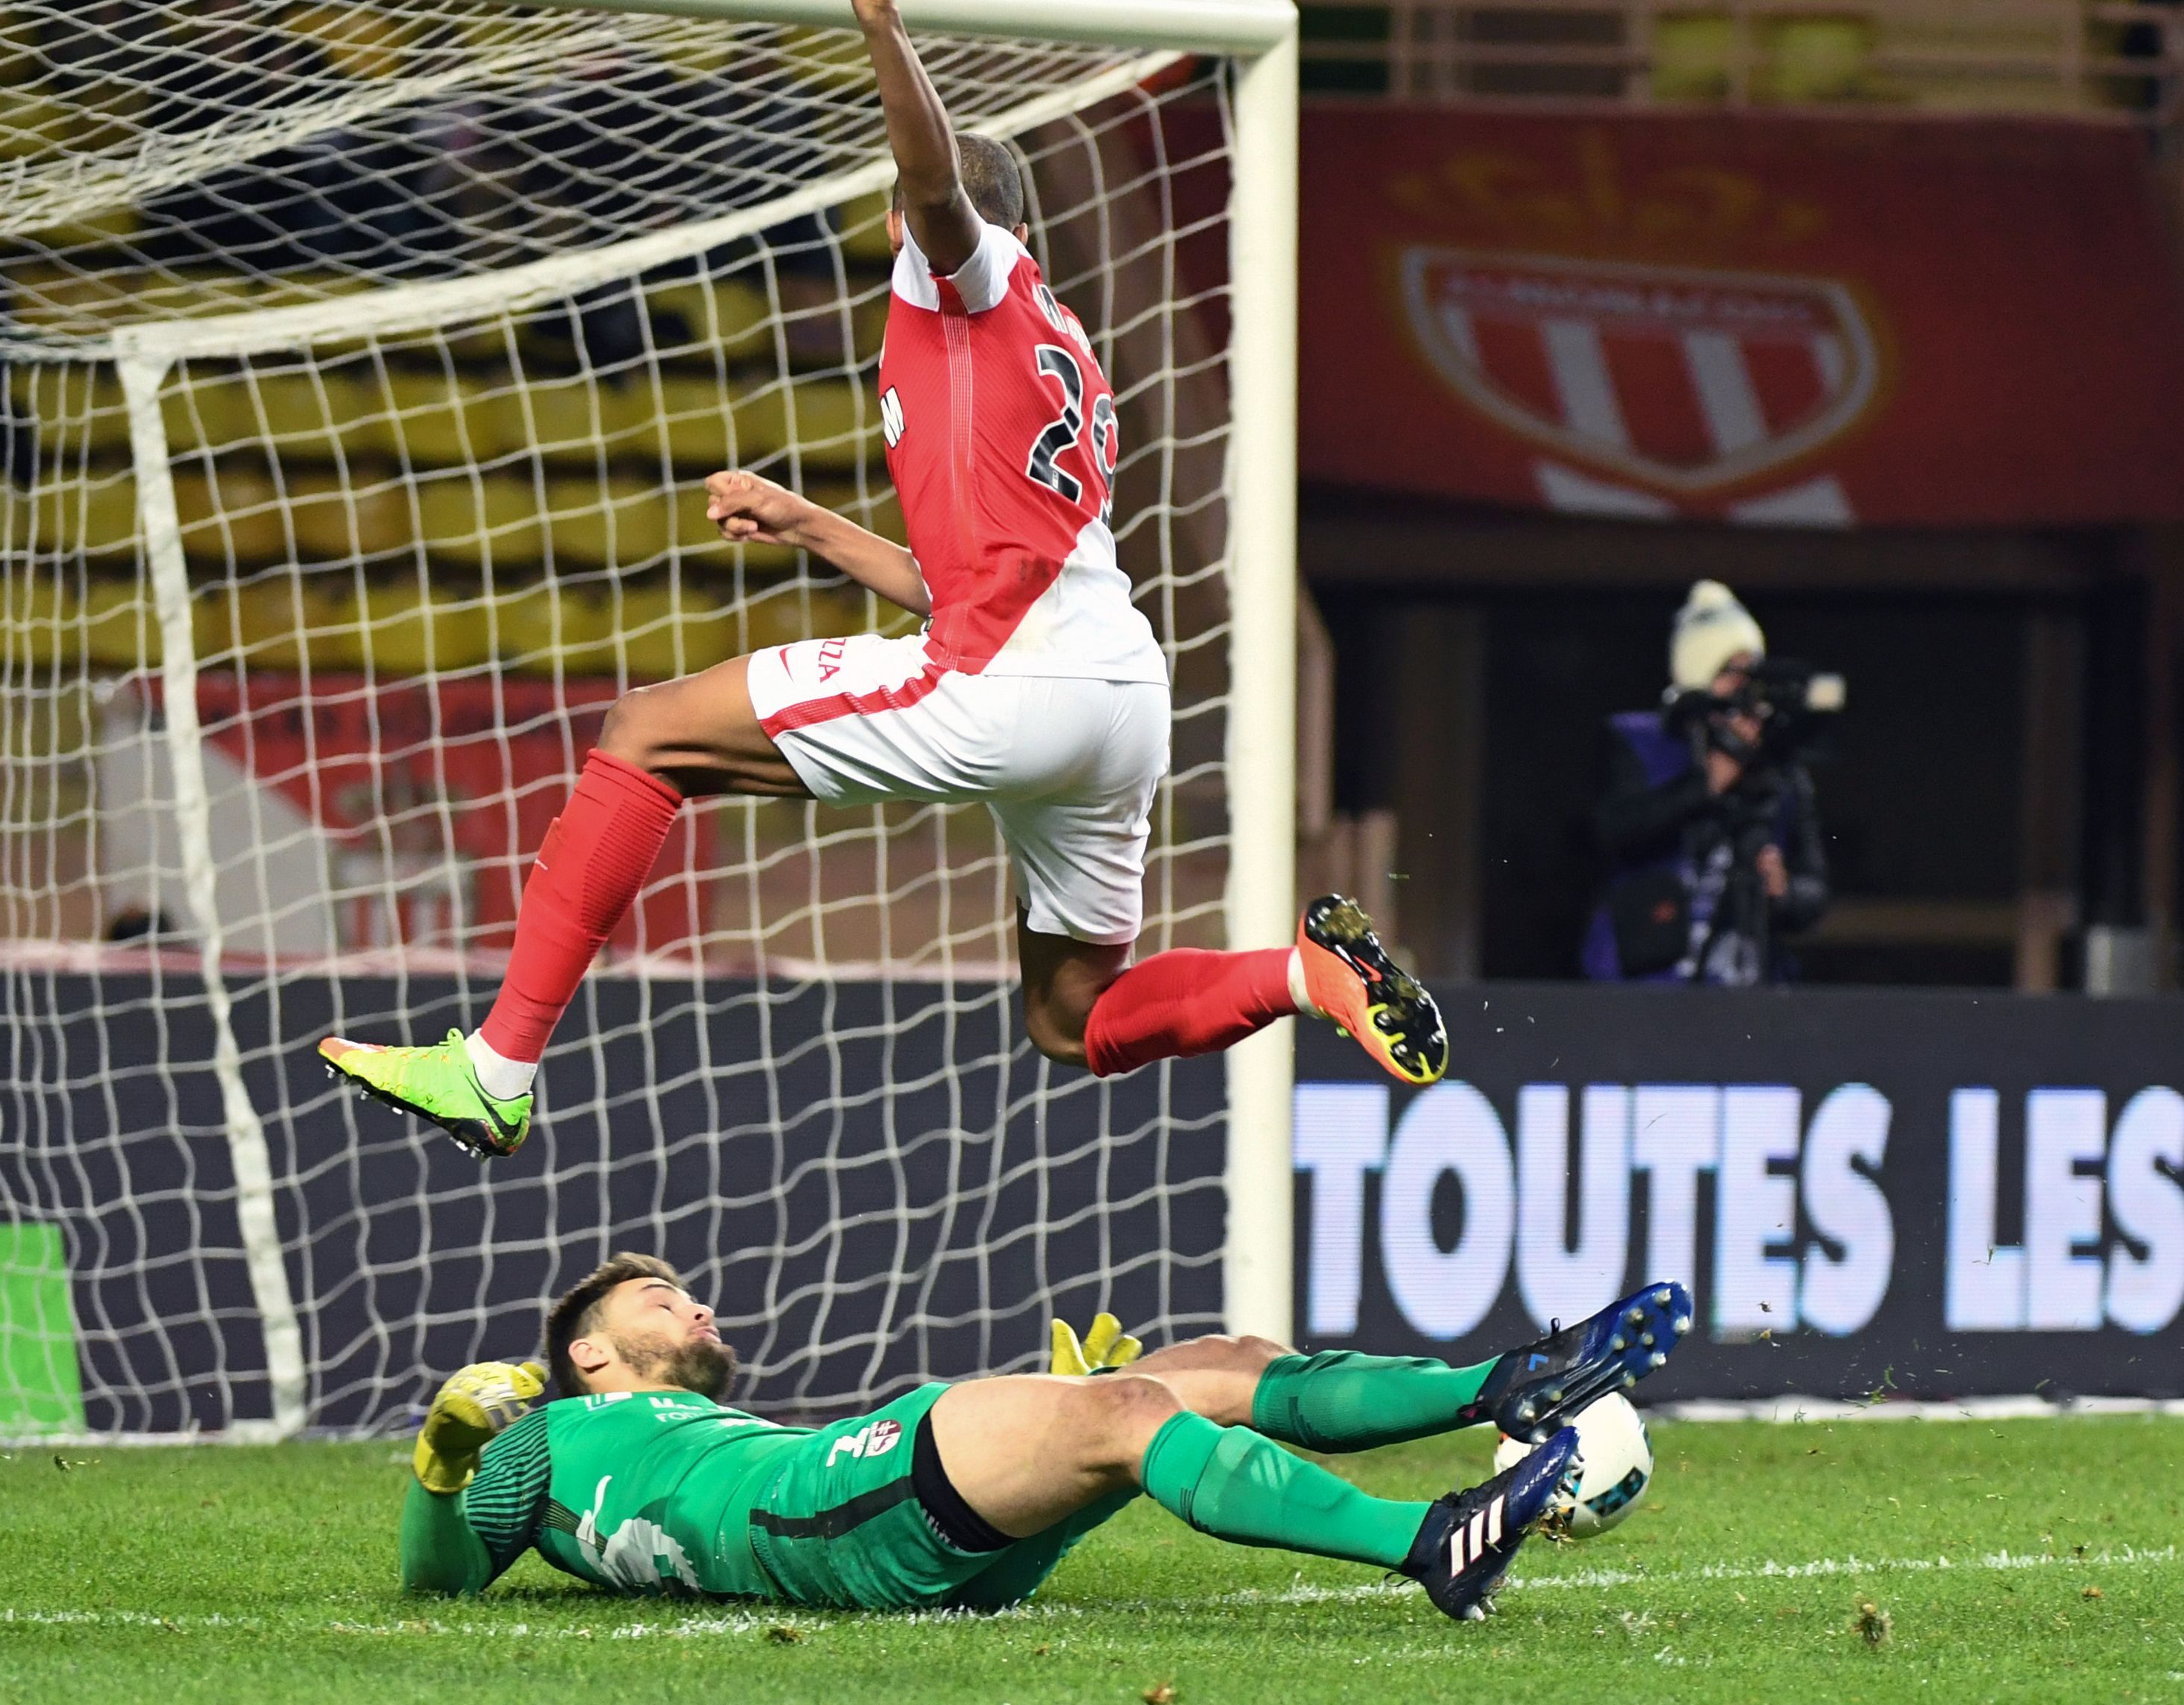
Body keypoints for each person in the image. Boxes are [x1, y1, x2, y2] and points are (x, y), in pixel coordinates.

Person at [320, 0, 1444, 1159]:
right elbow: (979, 576)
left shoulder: (965, 279)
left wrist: (878, 23)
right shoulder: (1057, 341)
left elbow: (938, 185)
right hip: (1114, 698)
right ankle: (1304, 974)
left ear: (919, 217)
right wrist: (813, 526)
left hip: (1006, 684)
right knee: (1072, 1019)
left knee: (644, 733)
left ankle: (496, 1070)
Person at [397, 1252, 1695, 1621]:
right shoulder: (549, 1437)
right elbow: (440, 1583)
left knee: (1211, 1362)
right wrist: (442, 1462)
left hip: (844, 1498)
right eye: (655, 1299)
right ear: (586, 1351)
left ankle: (1507, 1382)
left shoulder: (687, 1418)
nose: (692, 1304)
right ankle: (1431, 1541)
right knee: (1130, 1411)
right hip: (811, 1517)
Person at [1583, 580, 1829, 985]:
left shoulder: (1781, 772)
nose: (1742, 689)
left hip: (1744, 985)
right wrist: (1706, 785)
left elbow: (1814, 889)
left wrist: (1784, 892)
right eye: (1730, 672)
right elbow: (1612, 833)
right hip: (1643, 982)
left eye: (1751, 672)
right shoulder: (1640, 742)